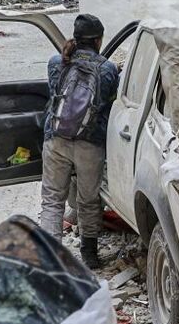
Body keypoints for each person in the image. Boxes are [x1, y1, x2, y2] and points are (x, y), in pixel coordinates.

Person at [39, 14, 119, 269]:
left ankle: (51, 256)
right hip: (90, 143)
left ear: (75, 37)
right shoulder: (107, 68)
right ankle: (89, 253)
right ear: (98, 40)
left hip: (56, 139)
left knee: (52, 199)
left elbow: (54, 96)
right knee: (89, 199)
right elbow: (110, 103)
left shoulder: (56, 62)